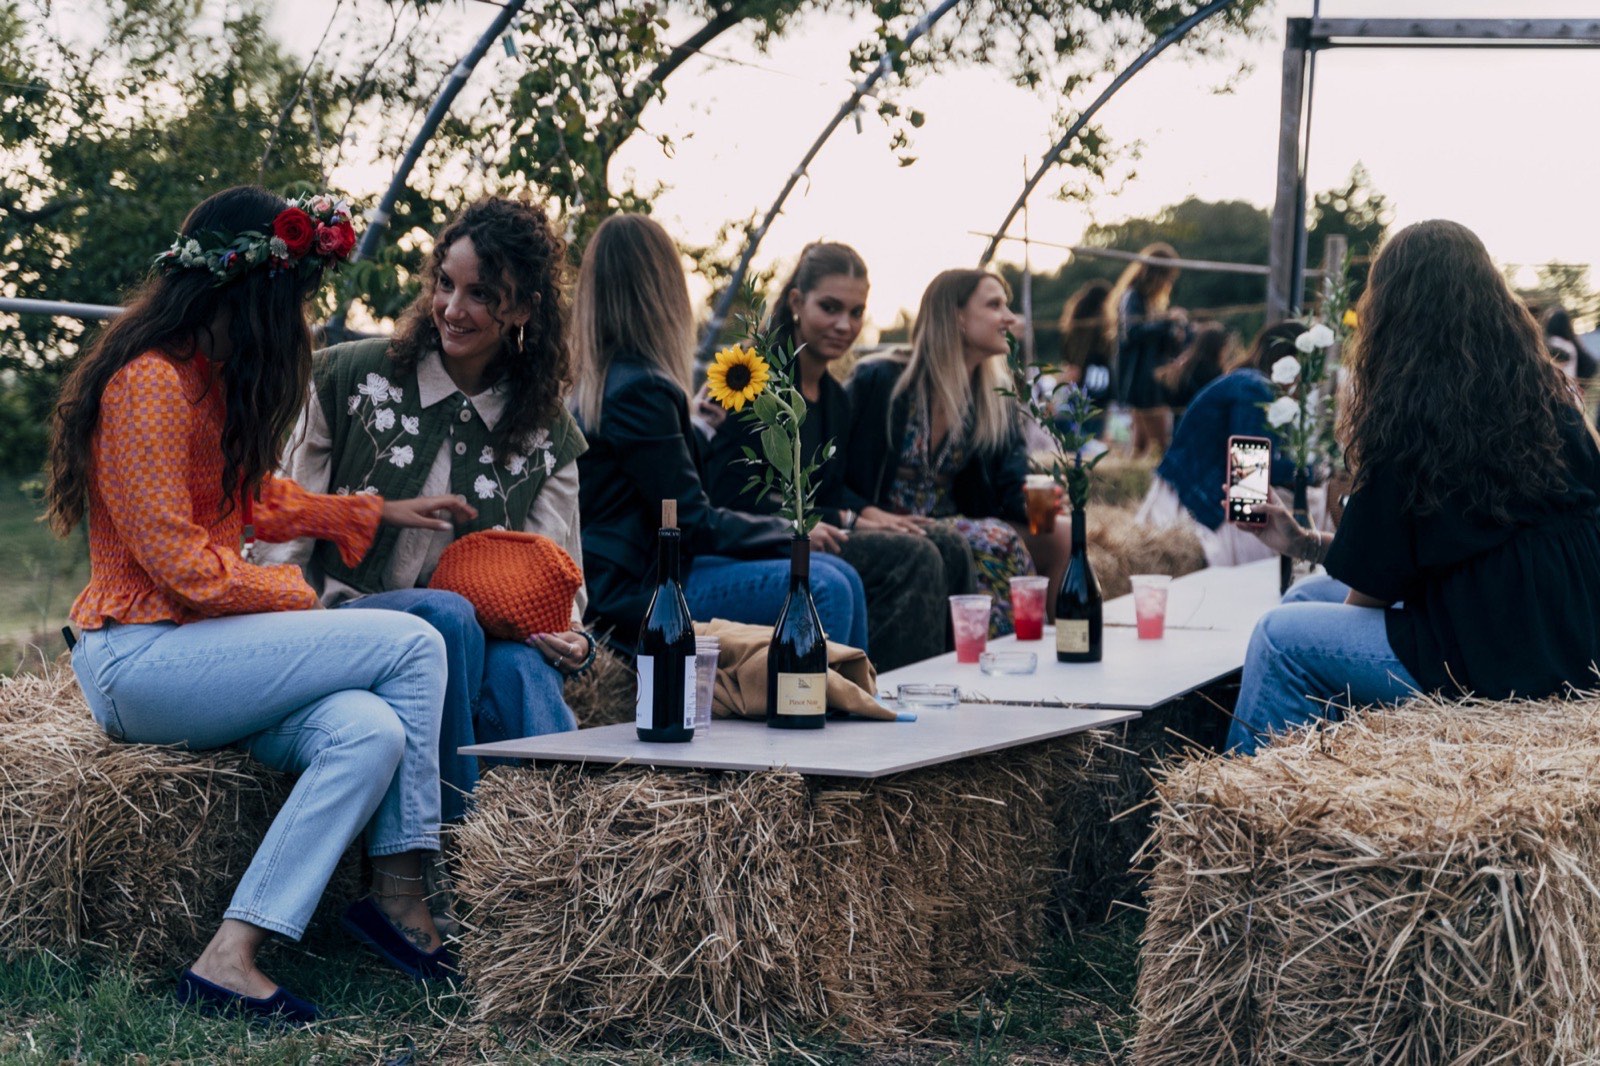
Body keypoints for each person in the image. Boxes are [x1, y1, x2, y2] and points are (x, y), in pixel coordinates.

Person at [46, 186, 472, 1023]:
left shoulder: (204, 380)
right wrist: (296, 594)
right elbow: (187, 571)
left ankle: (229, 957)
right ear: (243, 290)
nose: (301, 320)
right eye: (293, 298)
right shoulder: (148, 385)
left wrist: (365, 512)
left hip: (199, 657)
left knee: (371, 729)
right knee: (417, 646)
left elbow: (252, 502)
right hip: (140, 658)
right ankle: (399, 893)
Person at [261, 196, 589, 827]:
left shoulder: (547, 431)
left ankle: (564, 866)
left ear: (522, 309)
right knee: (445, 616)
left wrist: (570, 634)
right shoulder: (346, 380)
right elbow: (287, 528)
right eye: (446, 284)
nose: (452, 309)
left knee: (522, 668)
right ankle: (446, 848)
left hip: (477, 640)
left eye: (480, 294)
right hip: (342, 619)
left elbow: (557, 571)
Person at [1228, 219, 1600, 756]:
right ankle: (1337, 765)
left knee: (1278, 639)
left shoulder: (1415, 426)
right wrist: (1303, 543)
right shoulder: (1548, 403)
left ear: (1393, 315)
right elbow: (1434, 562)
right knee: (1305, 595)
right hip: (1571, 635)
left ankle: (1255, 808)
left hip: (1499, 658)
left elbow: (1369, 596)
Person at [572, 214, 869, 650]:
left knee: (840, 575)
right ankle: (810, 707)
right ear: (665, 287)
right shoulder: (643, 389)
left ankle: (850, 699)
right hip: (640, 592)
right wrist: (790, 532)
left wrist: (695, 431)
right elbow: (691, 521)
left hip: (642, 573)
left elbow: (655, 488)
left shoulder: (612, 379)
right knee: (827, 584)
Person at [703, 242, 973, 669]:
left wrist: (869, 514)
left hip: (813, 531)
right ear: (797, 302)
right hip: (754, 540)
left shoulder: (834, 398)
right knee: (912, 557)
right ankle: (889, 688)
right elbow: (727, 493)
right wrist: (843, 519)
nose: (843, 325)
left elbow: (830, 487)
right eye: (829, 308)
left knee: (945, 542)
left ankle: (949, 683)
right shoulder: (752, 384)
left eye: (855, 312)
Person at [845, 269, 1054, 635]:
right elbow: (833, 469)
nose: (1010, 317)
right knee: (998, 540)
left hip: (947, 519)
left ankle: (1057, 634)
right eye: (995, 305)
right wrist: (862, 512)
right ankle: (1006, 647)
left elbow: (1010, 475)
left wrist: (1039, 498)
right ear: (956, 317)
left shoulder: (992, 396)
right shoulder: (881, 380)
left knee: (1060, 529)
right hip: (877, 519)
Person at [1136, 321, 1327, 567]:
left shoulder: (1248, 382)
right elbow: (1249, 472)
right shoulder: (1256, 390)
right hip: (1198, 499)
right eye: (1309, 371)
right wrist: (1309, 472)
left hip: (1198, 486)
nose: (1310, 382)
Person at [1111, 243, 1189, 457]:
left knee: (1142, 445)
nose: (1169, 283)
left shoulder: (1148, 301)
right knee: (1159, 445)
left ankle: (1130, 486)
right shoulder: (1132, 297)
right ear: (1156, 274)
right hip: (1140, 382)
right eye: (1167, 276)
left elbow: (1152, 337)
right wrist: (1167, 321)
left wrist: (1173, 332)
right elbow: (1133, 332)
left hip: (1149, 380)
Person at [1053, 279, 1117, 440]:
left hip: (1079, 391)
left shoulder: (1073, 330)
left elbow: (1070, 366)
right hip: (1099, 393)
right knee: (1093, 438)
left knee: (1078, 439)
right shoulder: (1102, 332)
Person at [1154, 321, 1235, 425]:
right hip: (1204, 429)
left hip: (1181, 428)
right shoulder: (1214, 374)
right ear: (1218, 348)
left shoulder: (1184, 368)